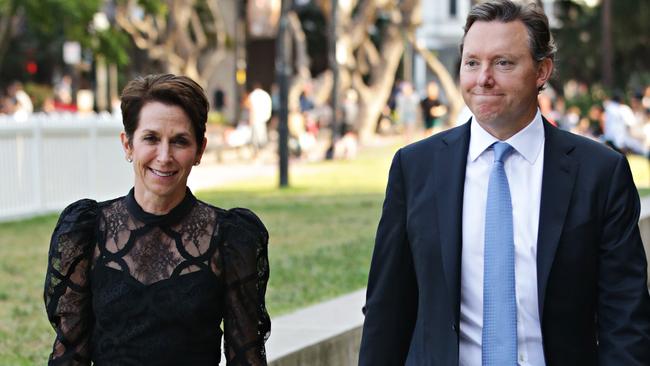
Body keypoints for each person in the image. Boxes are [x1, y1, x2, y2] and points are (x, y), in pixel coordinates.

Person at [359, 1, 650, 365]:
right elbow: (387, 310)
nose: (483, 78)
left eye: (503, 63)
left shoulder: (600, 174)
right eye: (472, 62)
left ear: (542, 70)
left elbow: (626, 317)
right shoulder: (415, 167)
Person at [44, 74, 271, 365]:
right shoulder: (86, 231)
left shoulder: (230, 237)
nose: (164, 156)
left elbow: (246, 358)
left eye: (179, 141)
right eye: (151, 138)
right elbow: (69, 356)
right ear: (128, 145)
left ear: (199, 150)